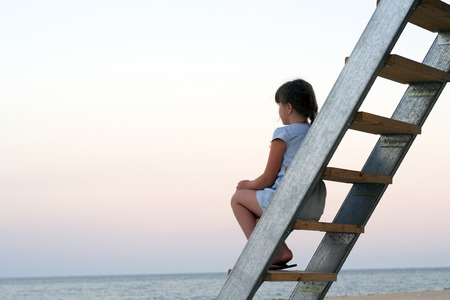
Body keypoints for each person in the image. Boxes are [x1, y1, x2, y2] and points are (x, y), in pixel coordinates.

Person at [230, 79, 326, 269]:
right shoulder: (317, 133)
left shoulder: (284, 134)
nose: (279, 113)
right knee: (259, 204)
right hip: (313, 205)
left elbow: (268, 178)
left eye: (279, 107)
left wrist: (246, 184)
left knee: (238, 199)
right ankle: (278, 250)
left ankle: (271, 252)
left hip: (287, 203)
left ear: (288, 107)